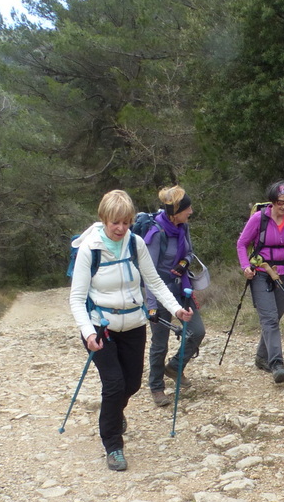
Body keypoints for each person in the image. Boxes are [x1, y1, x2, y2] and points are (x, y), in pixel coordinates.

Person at [69, 190, 194, 471]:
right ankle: (113, 445)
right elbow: (77, 298)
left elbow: (156, 283)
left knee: (133, 385)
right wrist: (89, 333)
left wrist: (176, 310)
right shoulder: (90, 250)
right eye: (115, 222)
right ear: (104, 219)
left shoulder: (135, 243)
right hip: (101, 327)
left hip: (134, 325)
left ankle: (112, 413)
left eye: (125, 222)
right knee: (114, 385)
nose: (121, 228)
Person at [143, 185, 207, 407]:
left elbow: (189, 251)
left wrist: (183, 263)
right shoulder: (155, 233)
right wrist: (151, 306)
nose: (190, 212)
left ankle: (175, 367)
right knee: (159, 343)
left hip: (182, 289)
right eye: (187, 209)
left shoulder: (183, 227)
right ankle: (156, 387)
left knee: (197, 331)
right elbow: (148, 274)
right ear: (175, 212)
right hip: (159, 295)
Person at [236, 181, 284, 384]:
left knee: (278, 314)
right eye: (281, 203)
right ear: (273, 201)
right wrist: (245, 266)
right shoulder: (259, 219)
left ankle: (261, 357)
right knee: (270, 319)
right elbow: (242, 243)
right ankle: (277, 364)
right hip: (261, 273)